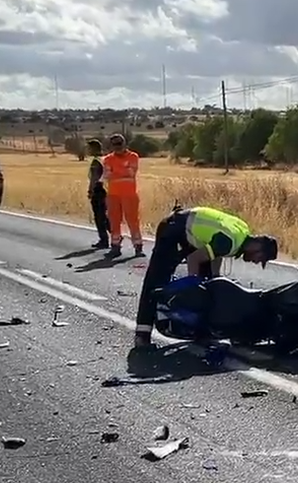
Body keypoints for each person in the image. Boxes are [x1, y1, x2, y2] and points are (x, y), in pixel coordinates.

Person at [131, 205, 279, 349]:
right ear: (258, 246)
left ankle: (201, 332)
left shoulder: (241, 234)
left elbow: (216, 252)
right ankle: (142, 334)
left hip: (191, 233)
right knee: (157, 278)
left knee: (208, 285)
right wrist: (192, 289)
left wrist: (215, 280)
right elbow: (194, 259)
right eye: (260, 258)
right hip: (175, 228)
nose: (256, 262)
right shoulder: (230, 241)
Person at [100, 133, 144, 258]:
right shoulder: (108, 159)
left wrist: (115, 172)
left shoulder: (133, 156)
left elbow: (131, 172)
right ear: (111, 146)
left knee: (133, 221)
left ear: (124, 143)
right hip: (113, 195)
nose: (117, 146)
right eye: (115, 144)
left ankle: (138, 246)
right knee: (114, 221)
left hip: (129, 195)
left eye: (119, 143)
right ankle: (115, 246)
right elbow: (107, 175)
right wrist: (122, 172)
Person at [85, 139, 110, 249]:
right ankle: (115, 234)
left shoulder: (96, 161)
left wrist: (90, 190)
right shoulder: (105, 159)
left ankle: (104, 239)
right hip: (105, 189)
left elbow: (94, 178)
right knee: (104, 215)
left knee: (99, 216)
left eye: (89, 148)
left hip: (98, 189)